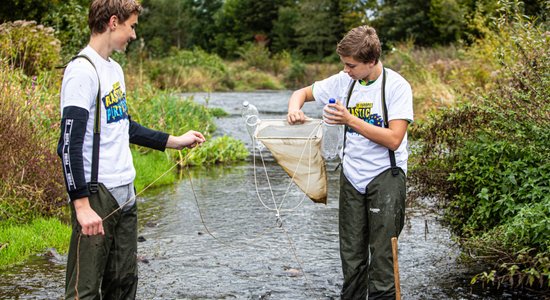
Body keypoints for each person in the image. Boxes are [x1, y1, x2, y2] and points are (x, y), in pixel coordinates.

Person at [56, 0, 206, 298]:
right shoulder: (81, 72)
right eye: (132, 26)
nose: (134, 35)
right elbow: (69, 143)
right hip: (97, 197)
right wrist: (82, 207)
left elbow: (123, 125)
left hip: (126, 194)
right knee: (83, 291)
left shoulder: (115, 70)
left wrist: (173, 141)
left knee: (123, 284)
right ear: (113, 22)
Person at [287, 25, 413, 299]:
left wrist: (349, 119)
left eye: (351, 65)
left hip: (386, 176)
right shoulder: (343, 81)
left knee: (382, 259)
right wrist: (294, 110)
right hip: (352, 177)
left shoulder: (397, 86)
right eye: (344, 64)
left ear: (371, 61)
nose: (345, 70)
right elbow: (301, 93)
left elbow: (394, 138)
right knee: (352, 256)